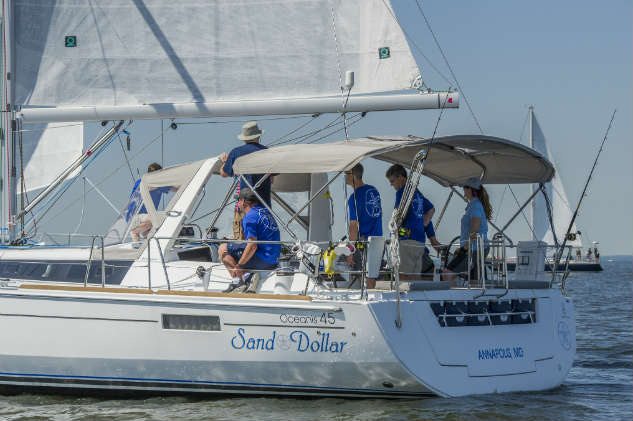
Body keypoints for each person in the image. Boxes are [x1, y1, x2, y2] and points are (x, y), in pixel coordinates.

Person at [218, 189, 280, 293]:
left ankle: (240, 281)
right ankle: (247, 276)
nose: (237, 203)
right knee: (239, 247)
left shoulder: (249, 216)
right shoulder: (265, 212)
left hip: (264, 260)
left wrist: (239, 266)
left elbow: (252, 246)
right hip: (274, 260)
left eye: (238, 201)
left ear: (242, 201)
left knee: (222, 248)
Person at [220, 121, 272, 239]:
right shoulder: (268, 152)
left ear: (244, 138)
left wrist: (224, 161)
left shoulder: (236, 152)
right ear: (258, 136)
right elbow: (272, 177)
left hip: (244, 206)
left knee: (243, 241)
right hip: (264, 206)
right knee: (262, 241)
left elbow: (224, 173)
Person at [385, 164, 435, 280]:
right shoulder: (416, 192)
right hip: (419, 241)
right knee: (415, 277)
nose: (391, 184)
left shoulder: (402, 192)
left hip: (406, 241)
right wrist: (422, 224)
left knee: (402, 277)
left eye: (392, 181)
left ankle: (404, 298)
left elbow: (396, 217)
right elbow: (431, 209)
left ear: (401, 177)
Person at [443, 177, 492, 285]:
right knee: (474, 282)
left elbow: (474, 231)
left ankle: (453, 300)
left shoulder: (475, 206)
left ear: (471, 189)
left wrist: (463, 250)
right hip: (478, 248)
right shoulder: (475, 205)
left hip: (473, 249)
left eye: (465, 187)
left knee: (447, 274)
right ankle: (470, 301)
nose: (463, 190)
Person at [345, 163, 382, 289]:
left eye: (346, 174)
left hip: (365, 242)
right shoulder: (374, 190)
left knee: (365, 278)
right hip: (378, 240)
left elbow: (354, 226)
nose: (344, 176)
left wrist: (350, 251)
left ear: (353, 176)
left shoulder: (353, 197)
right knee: (372, 276)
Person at [126, 163, 167, 242]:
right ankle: (135, 232)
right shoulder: (141, 182)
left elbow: (174, 187)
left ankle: (145, 235)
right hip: (134, 217)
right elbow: (144, 187)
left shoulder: (159, 184)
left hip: (147, 218)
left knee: (152, 237)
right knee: (161, 217)